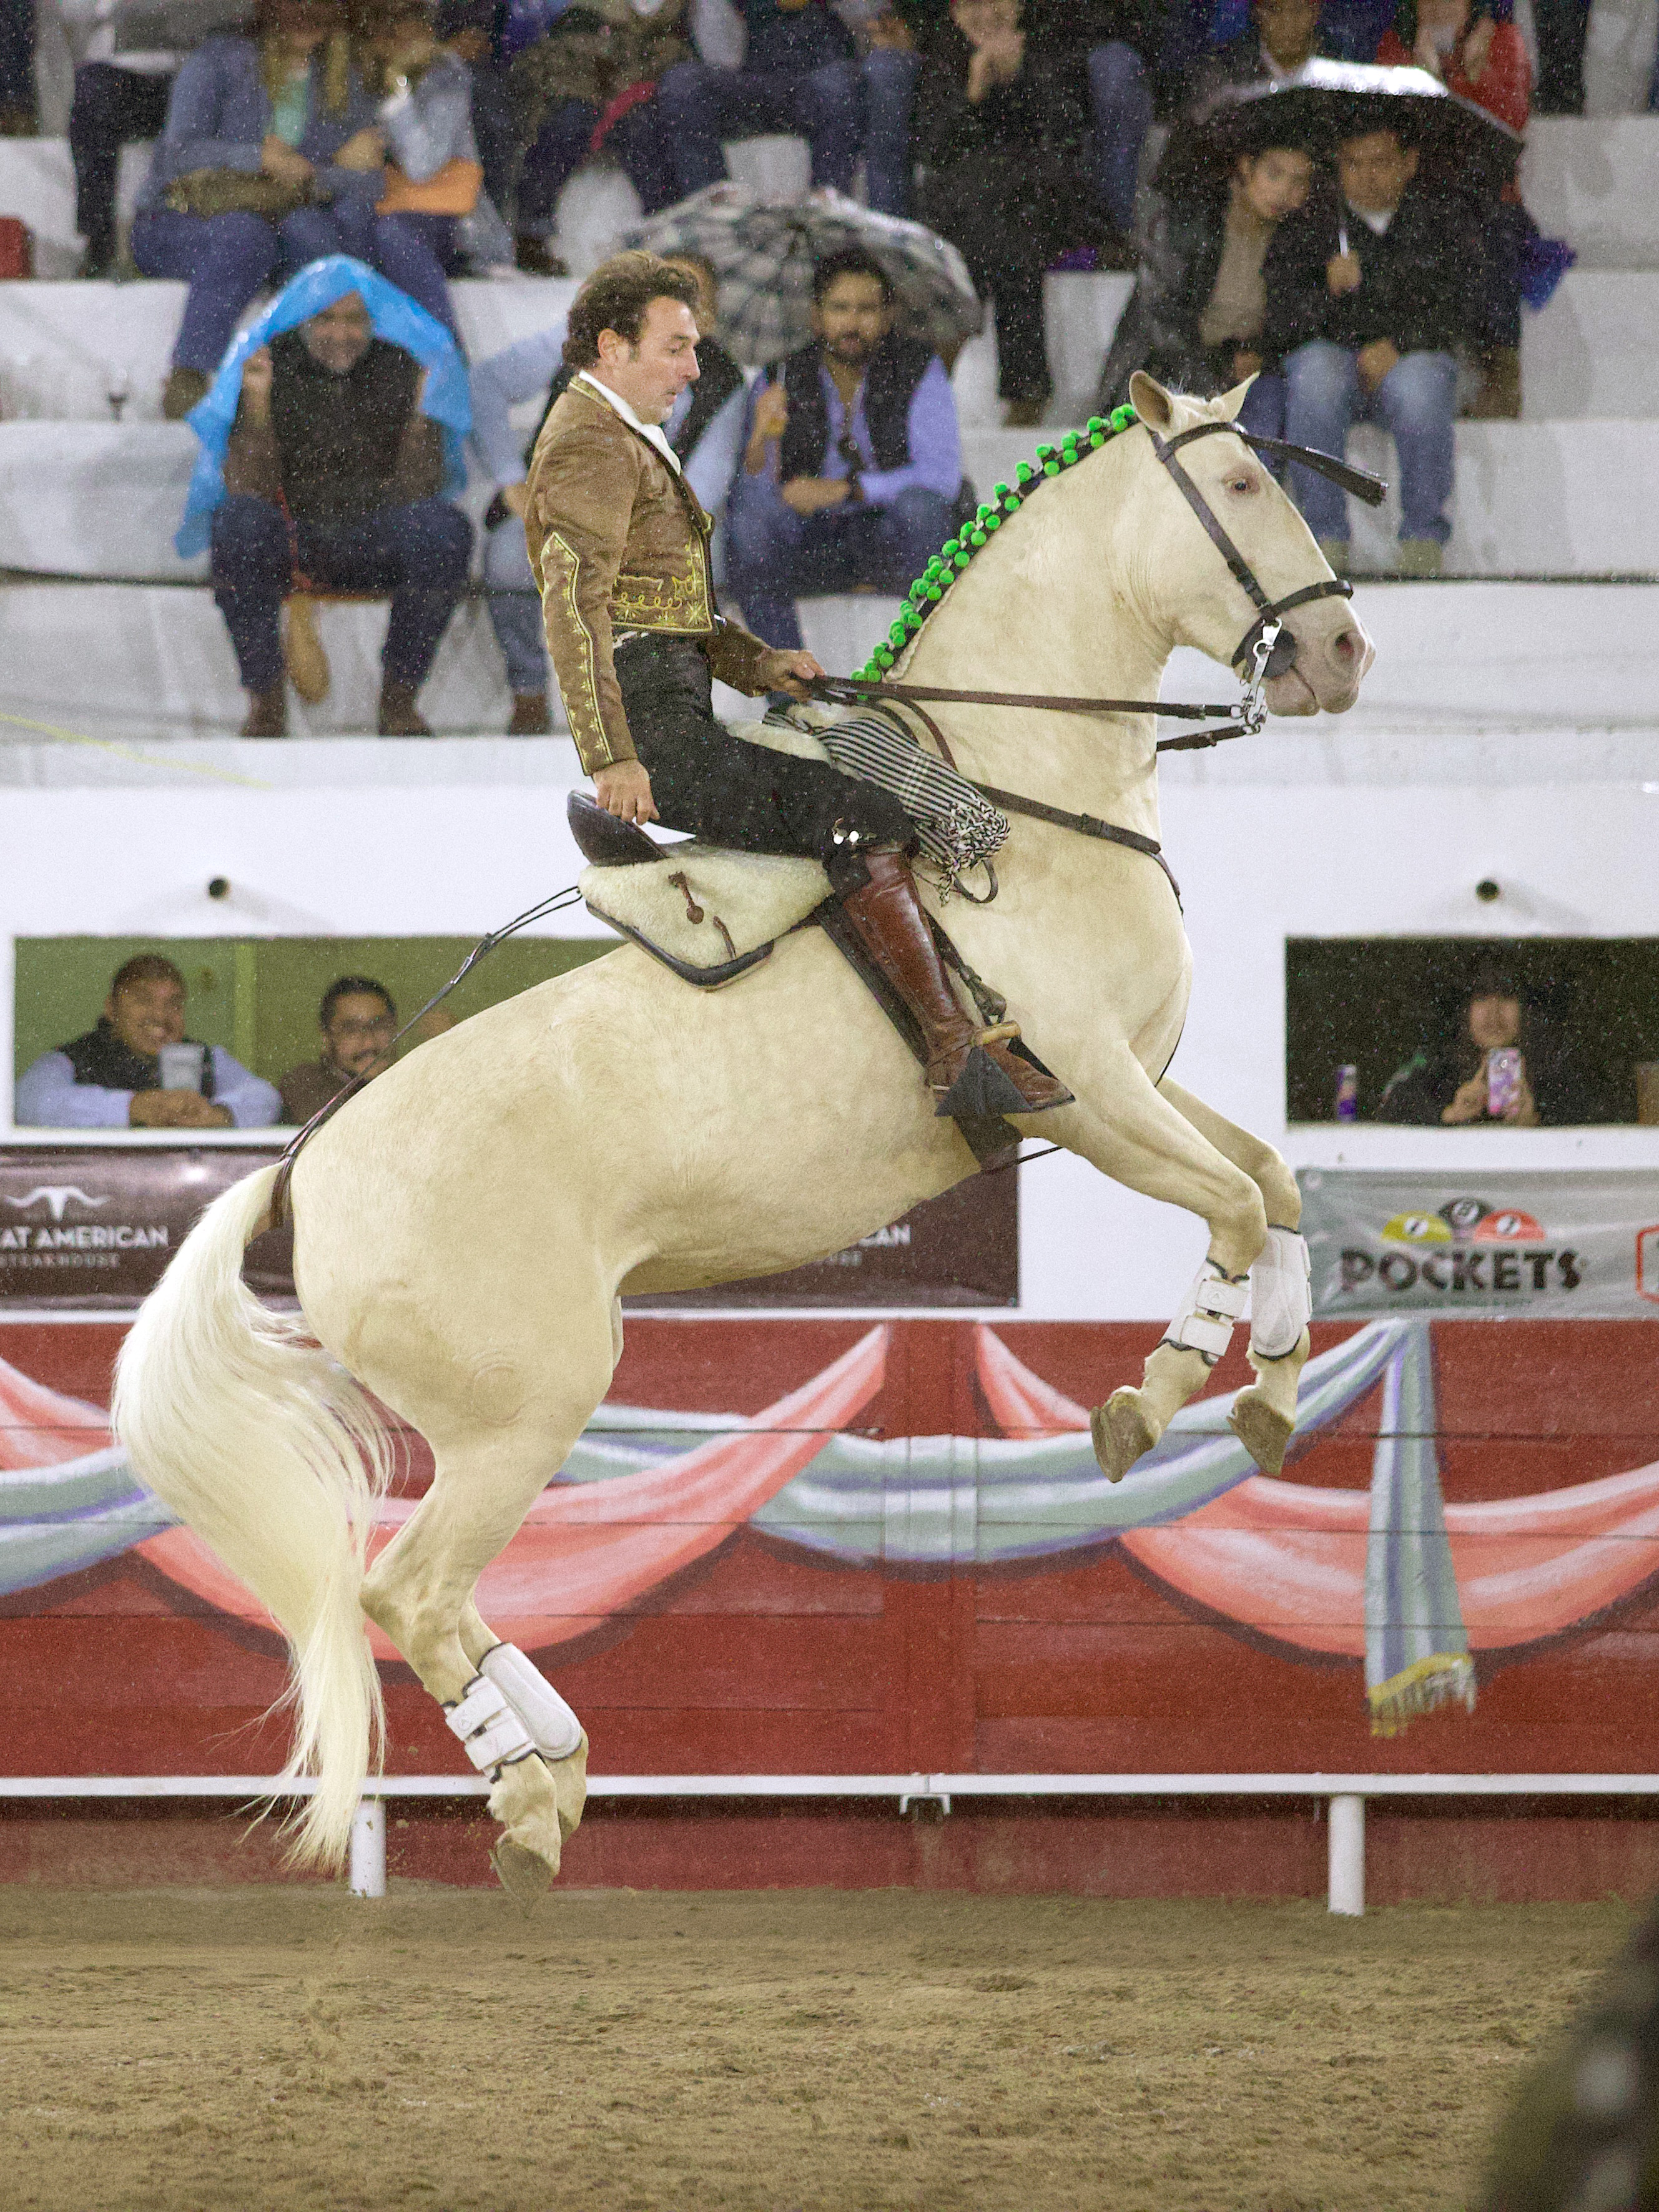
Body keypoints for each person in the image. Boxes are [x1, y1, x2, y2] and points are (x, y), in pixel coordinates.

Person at [523, 249, 1067, 1118]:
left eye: (694, 348)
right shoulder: (590, 440)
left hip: (674, 705)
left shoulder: (619, 434)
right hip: (659, 737)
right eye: (675, 348)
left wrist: (758, 663)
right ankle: (947, 1049)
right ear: (610, 346)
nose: (697, 369)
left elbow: (667, 609)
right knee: (862, 814)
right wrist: (614, 756)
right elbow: (574, 612)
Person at [130, 0, 454, 418]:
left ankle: (334, 384)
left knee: (325, 232)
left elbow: (366, 179)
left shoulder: (342, 74)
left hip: (281, 224)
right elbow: (176, 157)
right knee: (246, 235)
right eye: (296, 6)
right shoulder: (219, 60)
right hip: (181, 221)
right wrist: (258, 158)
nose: (308, 15)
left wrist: (317, 175)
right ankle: (190, 373)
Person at [474, 252, 747, 733]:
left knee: (700, 564)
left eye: (695, 303)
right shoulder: (585, 346)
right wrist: (510, 480)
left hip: (661, 529)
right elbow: (485, 385)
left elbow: (702, 491)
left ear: (710, 317)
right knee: (505, 558)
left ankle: (678, 709)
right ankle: (528, 692)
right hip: (565, 515)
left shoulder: (724, 383)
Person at [210, 287, 473, 736]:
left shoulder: (400, 367)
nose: (341, 333)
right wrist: (256, 406)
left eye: (354, 320)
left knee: (444, 530)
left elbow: (421, 489)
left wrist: (420, 416)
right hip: (294, 538)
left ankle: (399, 701)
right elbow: (248, 487)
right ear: (305, 321)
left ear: (373, 322)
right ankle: (265, 702)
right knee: (237, 524)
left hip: (374, 537)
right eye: (327, 319)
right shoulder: (275, 365)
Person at [724, 246, 961, 653]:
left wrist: (852, 489)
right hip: (813, 543)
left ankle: (931, 667)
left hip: (887, 537)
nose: (852, 323)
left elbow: (942, 477)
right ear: (816, 316)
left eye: (866, 309)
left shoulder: (919, 367)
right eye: (840, 308)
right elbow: (754, 493)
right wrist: (759, 436)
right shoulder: (781, 374)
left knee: (924, 510)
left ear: (886, 317)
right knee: (749, 524)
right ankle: (789, 691)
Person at [1265, 123, 1472, 574]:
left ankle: (1422, 540)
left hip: (1409, 360)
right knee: (1314, 377)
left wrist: (1399, 344)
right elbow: (1282, 318)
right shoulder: (1313, 223)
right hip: (1335, 365)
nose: (1366, 177)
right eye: (1353, 164)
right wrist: (1326, 289)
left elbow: (1458, 304)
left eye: (1379, 162)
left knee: (1419, 390)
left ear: (1407, 163)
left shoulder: (1436, 219)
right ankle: (1324, 539)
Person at [910, 0, 1089, 427]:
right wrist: (972, 92)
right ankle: (1026, 391)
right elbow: (932, 149)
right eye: (971, 2)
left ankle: (941, 363)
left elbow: (1066, 132)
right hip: (968, 208)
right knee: (995, 224)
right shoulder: (940, 57)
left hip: (1037, 199)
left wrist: (1020, 75)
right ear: (953, 11)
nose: (986, 12)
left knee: (1004, 219)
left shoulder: (1050, 49)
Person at [1377, 0, 1531, 418]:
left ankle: (1500, 375)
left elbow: (1513, 122)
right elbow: (1386, 129)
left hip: (1487, 195)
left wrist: (1474, 79)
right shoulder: (1396, 42)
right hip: (1418, 195)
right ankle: (1412, 363)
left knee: (1492, 233)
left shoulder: (1502, 38)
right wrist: (1422, 82)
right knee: (1415, 229)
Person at [1097, 136, 1315, 428]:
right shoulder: (1191, 221)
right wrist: (1218, 367)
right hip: (1168, 370)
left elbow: (1294, 321)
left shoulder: (1296, 239)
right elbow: (1163, 319)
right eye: (1274, 174)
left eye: (1298, 182)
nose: (1283, 192)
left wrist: (1260, 353)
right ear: (1247, 167)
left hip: (1247, 375)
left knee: (1265, 415)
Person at [507, 0, 689, 273]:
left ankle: (663, 234)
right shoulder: (593, 31)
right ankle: (533, 232)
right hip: (586, 114)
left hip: (616, 115)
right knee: (579, 121)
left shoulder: (663, 33)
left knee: (632, 126)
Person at [15, 955, 282, 1129]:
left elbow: (266, 1098)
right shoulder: (72, 1058)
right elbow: (29, 1101)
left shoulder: (205, 1057)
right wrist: (134, 1108)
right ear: (112, 1009)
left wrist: (221, 1116)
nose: (160, 1016)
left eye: (173, 1005)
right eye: (143, 1000)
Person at [652, 0, 865, 200]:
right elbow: (722, 57)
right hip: (748, 85)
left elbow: (865, 12)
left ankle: (830, 206)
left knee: (842, 84)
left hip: (817, 82)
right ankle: (715, 209)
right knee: (682, 83)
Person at [61, 0, 185, 278]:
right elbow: (69, 10)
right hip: (119, 73)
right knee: (91, 98)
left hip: (196, 67)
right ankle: (98, 242)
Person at [1372, 966, 1586, 1126]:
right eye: (1482, 998)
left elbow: (1593, 1128)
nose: (1494, 1013)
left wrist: (1536, 1123)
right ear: (1465, 1012)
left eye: (1507, 997)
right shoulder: (1440, 1071)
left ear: (1527, 1012)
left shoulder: (1554, 1080)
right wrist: (1451, 1114)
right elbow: (1389, 1115)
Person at [278, 974, 399, 1120]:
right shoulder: (305, 1087)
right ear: (326, 1038)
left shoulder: (410, 1080)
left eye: (380, 1026)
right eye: (352, 1030)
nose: (370, 1043)